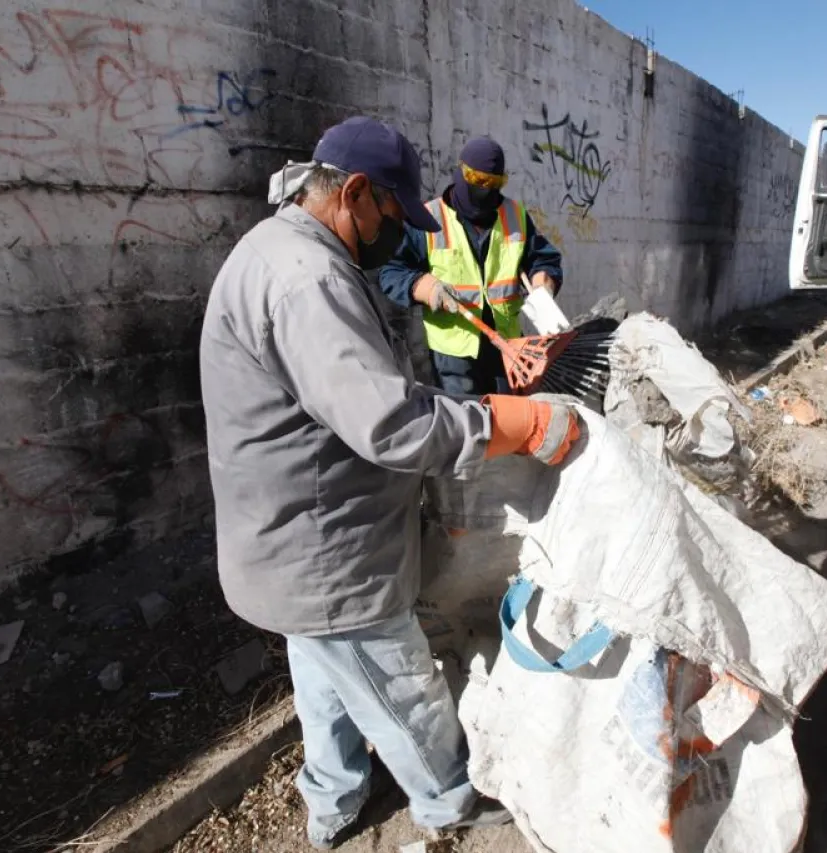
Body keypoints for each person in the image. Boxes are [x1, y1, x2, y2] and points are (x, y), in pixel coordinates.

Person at [198, 117, 581, 850]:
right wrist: (518, 423)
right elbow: (395, 425)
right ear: (356, 193)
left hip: (283, 540)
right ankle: (449, 797)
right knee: (403, 685)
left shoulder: (282, 249)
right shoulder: (307, 280)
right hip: (324, 553)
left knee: (323, 675)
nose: (395, 231)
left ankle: (333, 799)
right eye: (391, 215)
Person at [379, 137, 565, 395]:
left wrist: (542, 286)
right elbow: (392, 271)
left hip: (506, 348)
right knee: (468, 424)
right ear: (460, 173)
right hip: (454, 354)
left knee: (510, 422)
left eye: (494, 183)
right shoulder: (429, 218)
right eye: (478, 180)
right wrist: (427, 288)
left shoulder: (515, 216)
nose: (485, 189)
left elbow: (541, 258)